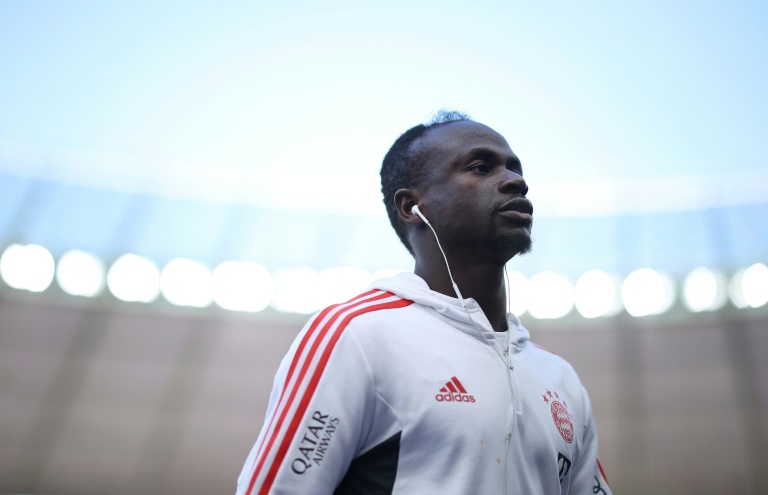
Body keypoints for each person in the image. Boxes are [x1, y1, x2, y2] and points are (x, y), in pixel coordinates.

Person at [236, 110, 612, 494]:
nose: (517, 181)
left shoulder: (560, 379)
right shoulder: (358, 335)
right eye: (482, 168)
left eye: (515, 169)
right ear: (411, 207)